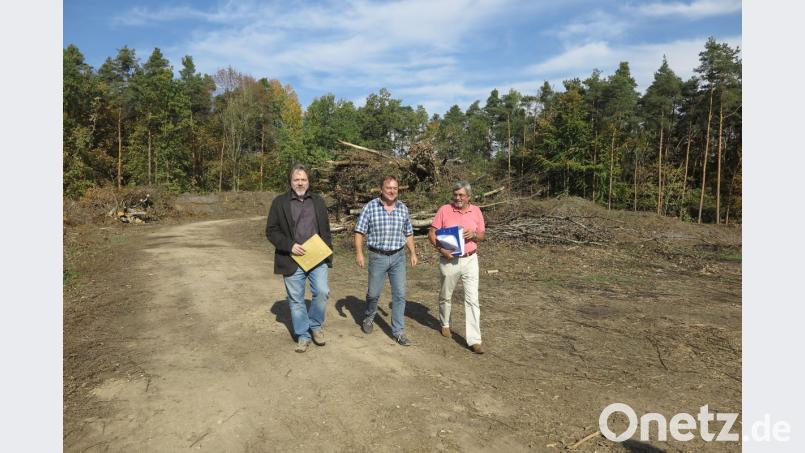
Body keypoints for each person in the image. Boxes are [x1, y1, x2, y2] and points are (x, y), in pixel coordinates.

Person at [266, 163, 333, 353]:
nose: (300, 183)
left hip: (317, 257)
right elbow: (271, 231)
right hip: (291, 258)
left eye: (303, 179)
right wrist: (290, 246)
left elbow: (325, 230)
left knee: (322, 291)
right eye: (296, 179)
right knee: (296, 300)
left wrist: (327, 251)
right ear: (290, 181)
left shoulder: (318, 201)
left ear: (309, 181)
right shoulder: (279, 202)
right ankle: (303, 335)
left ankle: (316, 326)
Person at [354, 175, 418, 346]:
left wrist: (412, 253)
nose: (392, 191)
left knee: (400, 294)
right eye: (388, 188)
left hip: (398, 257)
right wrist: (359, 253)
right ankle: (369, 317)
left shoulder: (403, 209)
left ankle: (398, 331)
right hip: (378, 257)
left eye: (395, 188)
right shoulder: (370, 207)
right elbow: (359, 232)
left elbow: (408, 233)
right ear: (381, 189)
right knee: (373, 293)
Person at [428, 181, 486, 354]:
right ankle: (445, 323)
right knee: (446, 295)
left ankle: (474, 340)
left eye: (461, 195)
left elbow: (482, 235)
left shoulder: (476, 211)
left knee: (472, 299)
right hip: (449, 260)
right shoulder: (444, 210)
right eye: (455, 194)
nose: (458, 198)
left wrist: (474, 235)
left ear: (468, 196)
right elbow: (432, 233)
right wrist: (441, 249)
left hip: (470, 259)